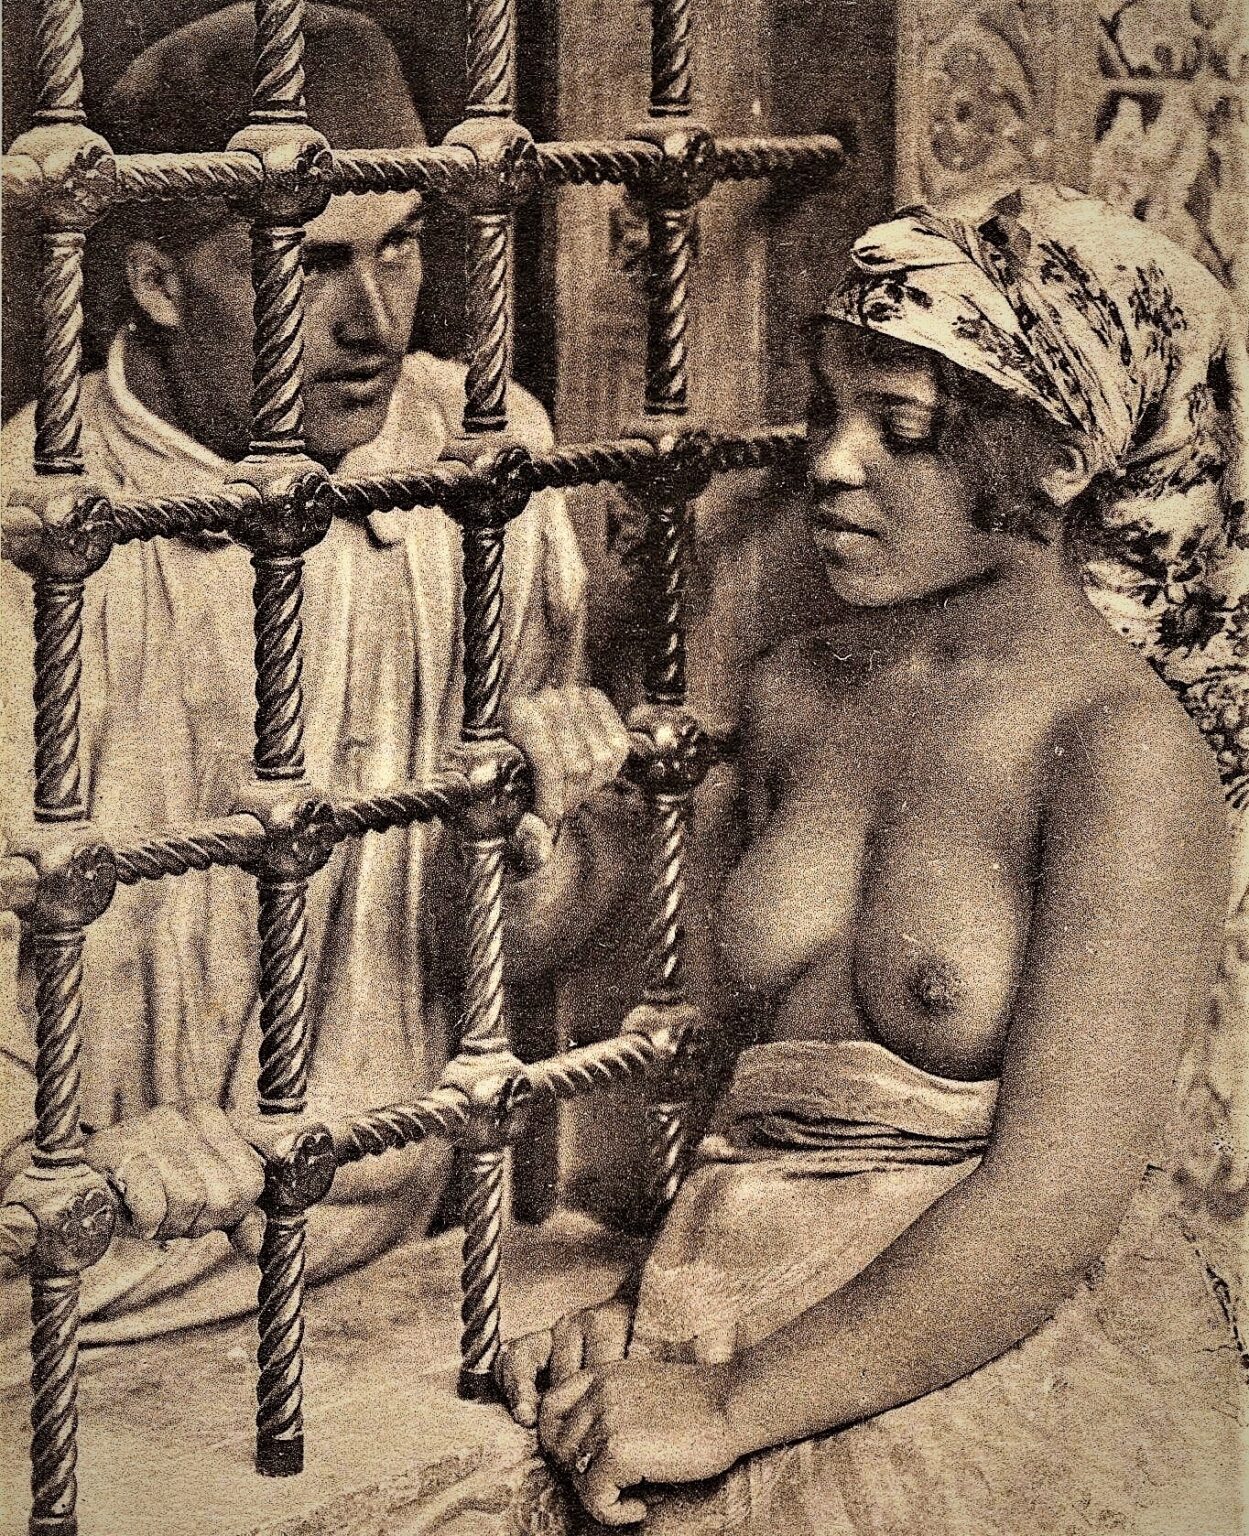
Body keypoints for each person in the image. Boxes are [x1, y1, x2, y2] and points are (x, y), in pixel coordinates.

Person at [497, 185, 1248, 1532]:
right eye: (826, 413)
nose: (833, 465)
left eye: (898, 426)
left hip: (969, 1346)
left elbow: (1050, 1207)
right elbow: (722, 1070)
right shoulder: (795, 691)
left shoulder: (1123, 754)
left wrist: (727, 1404)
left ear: (1054, 459)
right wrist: (649, 1307)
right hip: (724, 1303)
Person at [0, 4, 631, 1345]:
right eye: (313, 263)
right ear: (157, 281)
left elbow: (507, 960)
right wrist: (48, 1145)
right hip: (75, 1295)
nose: (376, 322)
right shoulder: (29, 532)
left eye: (400, 247)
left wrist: (531, 841)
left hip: (381, 1259)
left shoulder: (481, 460)